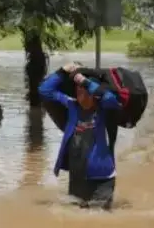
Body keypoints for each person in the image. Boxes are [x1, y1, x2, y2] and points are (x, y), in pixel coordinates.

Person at [38, 63, 122, 210]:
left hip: (102, 178)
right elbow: (44, 90)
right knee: (77, 218)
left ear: (93, 92)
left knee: (99, 219)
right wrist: (62, 71)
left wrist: (84, 81)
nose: (79, 92)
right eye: (77, 89)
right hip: (77, 176)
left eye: (83, 90)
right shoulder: (72, 106)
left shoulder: (104, 109)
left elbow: (110, 98)